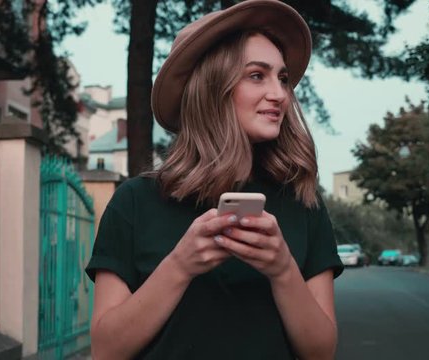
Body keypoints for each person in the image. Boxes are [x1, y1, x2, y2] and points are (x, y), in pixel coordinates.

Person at [85, 1, 344, 358]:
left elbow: (321, 353)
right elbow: (105, 351)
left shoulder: (303, 203)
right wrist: (180, 265)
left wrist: (283, 269)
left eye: (282, 78)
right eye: (257, 75)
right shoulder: (134, 202)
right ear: (211, 88)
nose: (280, 94)